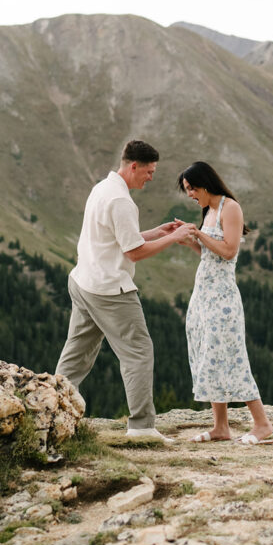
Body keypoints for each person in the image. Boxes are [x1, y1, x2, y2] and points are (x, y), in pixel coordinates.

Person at [56, 140, 194, 442]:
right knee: (139, 352)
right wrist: (176, 237)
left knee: (76, 355)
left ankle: (51, 412)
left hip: (83, 281)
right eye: (149, 171)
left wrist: (156, 232)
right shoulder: (121, 201)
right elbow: (134, 253)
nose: (151, 177)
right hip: (109, 290)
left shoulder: (102, 189)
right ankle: (142, 427)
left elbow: (118, 239)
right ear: (134, 166)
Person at [177, 161, 273, 444]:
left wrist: (199, 234)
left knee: (231, 355)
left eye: (191, 189)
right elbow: (210, 253)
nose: (190, 195)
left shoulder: (230, 208)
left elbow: (229, 251)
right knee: (209, 354)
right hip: (203, 294)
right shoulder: (208, 211)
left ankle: (262, 423)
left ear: (204, 184)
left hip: (223, 297)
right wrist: (191, 241)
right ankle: (221, 427)